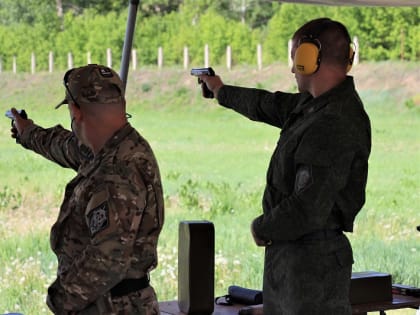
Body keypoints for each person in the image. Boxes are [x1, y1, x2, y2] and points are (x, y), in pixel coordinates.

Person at [198, 18, 371, 314]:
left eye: (295, 59)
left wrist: (262, 226)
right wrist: (220, 91)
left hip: (311, 269)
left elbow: (308, 208)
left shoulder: (333, 122)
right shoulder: (314, 106)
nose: (293, 69)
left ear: (309, 56)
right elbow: (266, 104)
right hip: (300, 264)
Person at [9, 64, 164, 314]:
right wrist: (27, 132)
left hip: (112, 308)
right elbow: (64, 146)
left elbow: (108, 259)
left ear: (76, 111)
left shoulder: (118, 170)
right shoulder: (111, 148)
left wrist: (59, 300)